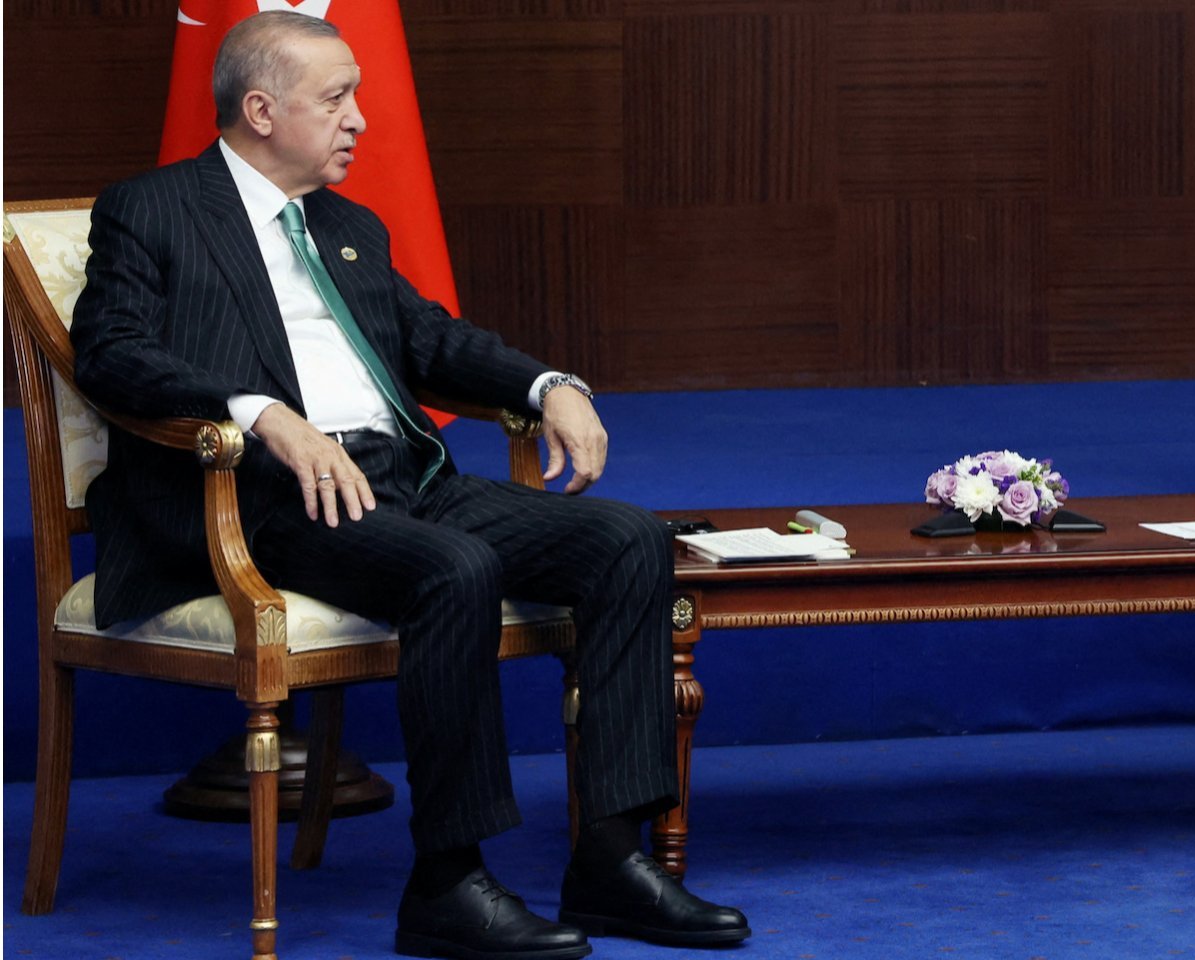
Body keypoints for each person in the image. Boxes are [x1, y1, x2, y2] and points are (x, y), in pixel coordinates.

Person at [69, 11, 750, 957]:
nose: (359, 119)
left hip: (399, 475)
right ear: (261, 110)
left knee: (628, 540)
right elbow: (110, 352)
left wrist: (549, 384)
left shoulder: (347, 223)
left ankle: (608, 860)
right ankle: (447, 882)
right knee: (454, 568)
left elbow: (431, 339)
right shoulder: (154, 209)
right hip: (267, 496)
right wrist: (261, 413)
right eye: (336, 98)